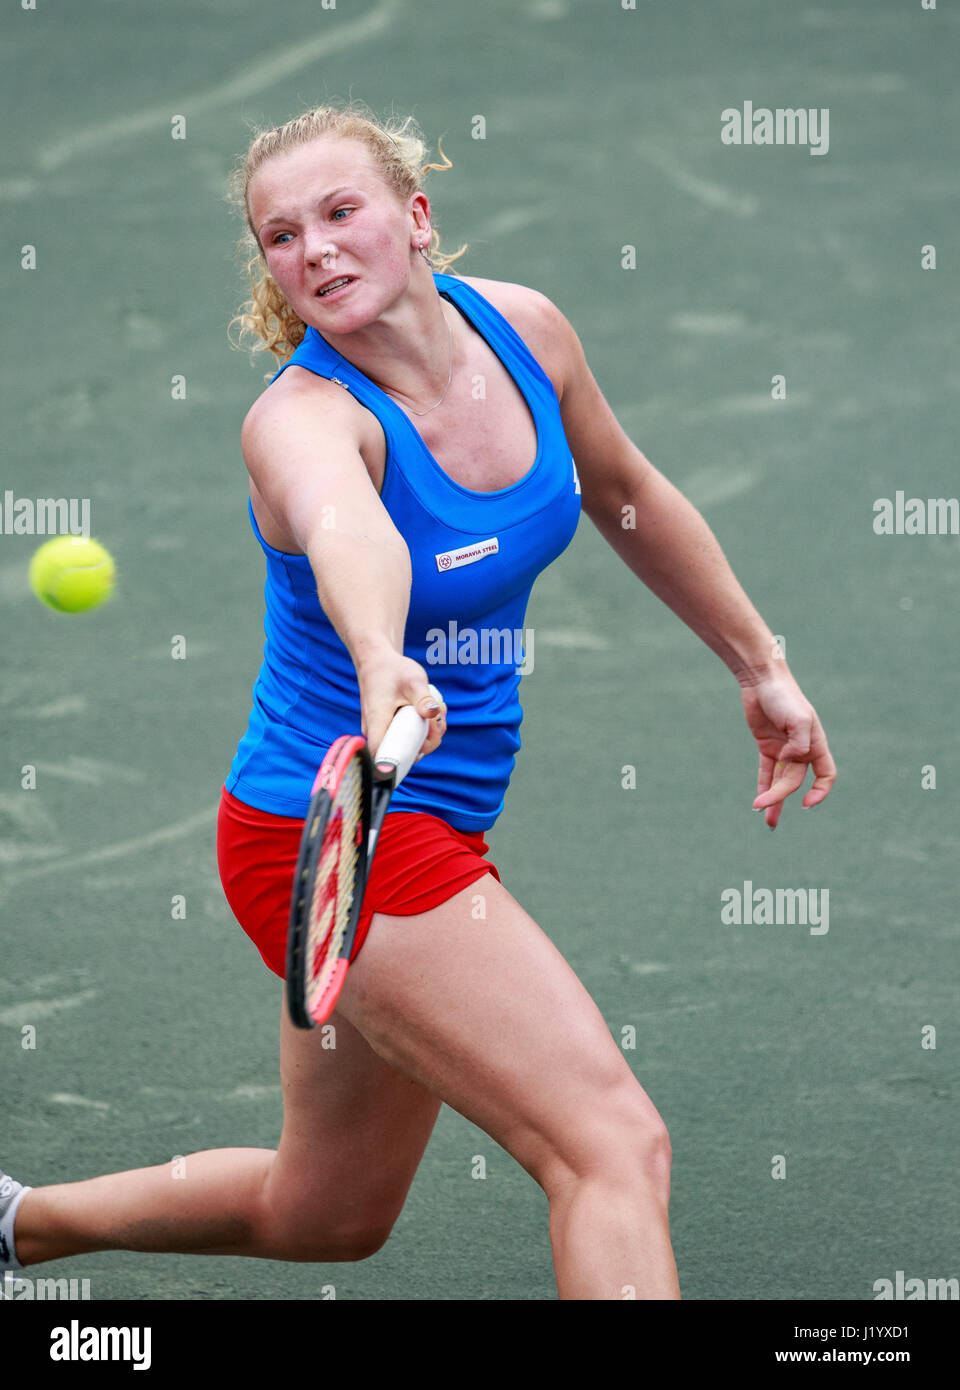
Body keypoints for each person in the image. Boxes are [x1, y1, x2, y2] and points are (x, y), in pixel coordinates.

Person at [0, 101, 836, 1301]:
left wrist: (761, 665)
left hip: (405, 817)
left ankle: (14, 1225)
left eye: (341, 213)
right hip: (336, 826)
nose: (316, 251)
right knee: (610, 1145)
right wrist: (381, 652)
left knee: (326, 1210)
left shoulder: (528, 332)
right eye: (280, 237)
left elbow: (625, 487)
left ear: (416, 216)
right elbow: (351, 534)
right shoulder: (299, 420)